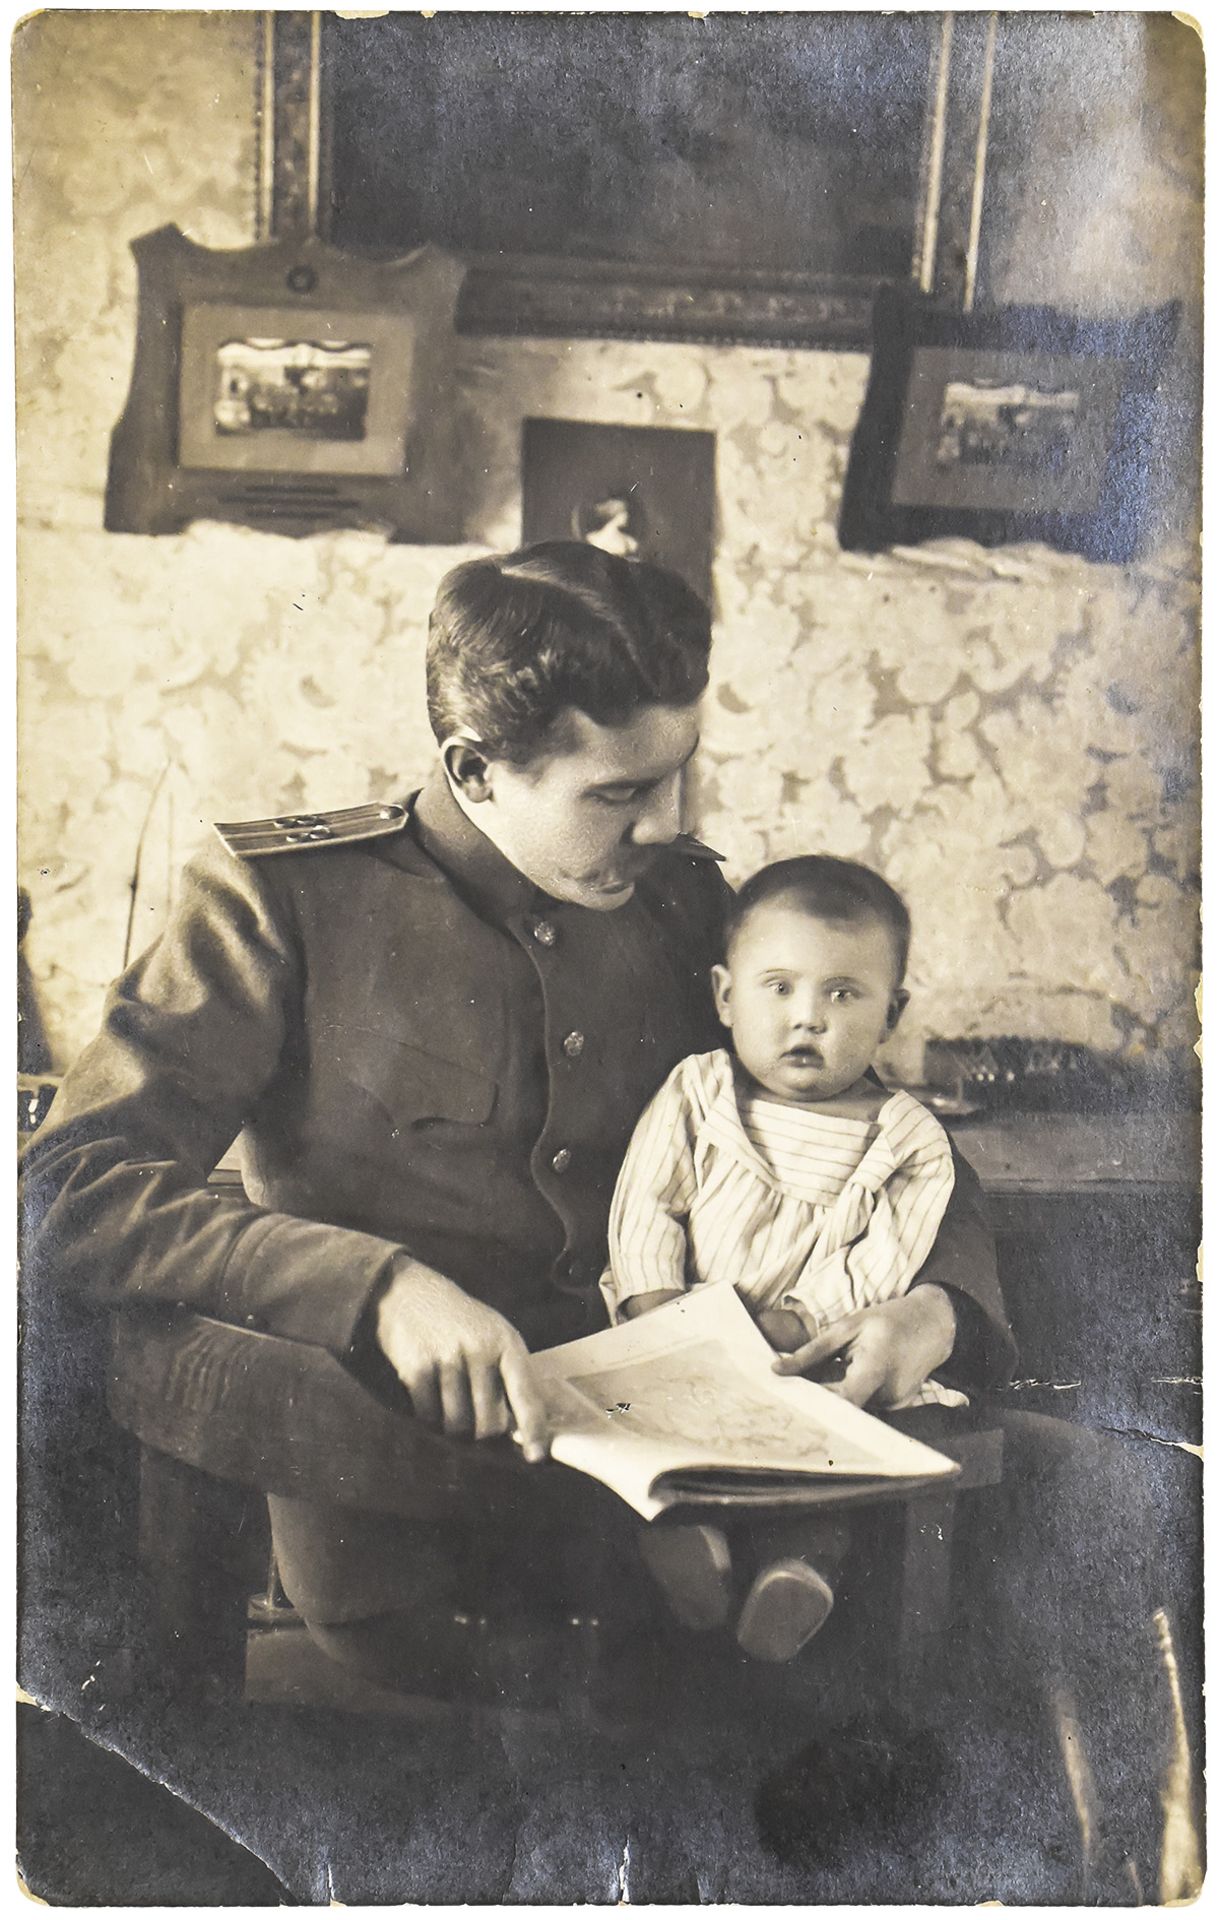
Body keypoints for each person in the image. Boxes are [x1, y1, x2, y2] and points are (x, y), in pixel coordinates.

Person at [21, 538, 1008, 1688]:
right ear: (476, 768)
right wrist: (376, 1286)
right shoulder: (285, 900)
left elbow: (881, 1129)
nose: (663, 823)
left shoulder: (686, 906)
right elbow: (72, 1185)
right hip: (406, 1517)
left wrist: (939, 1309)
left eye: (679, 770)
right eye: (621, 793)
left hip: (703, 1513)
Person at [603, 854, 966, 1661]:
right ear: (725, 998)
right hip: (677, 1342)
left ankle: (798, 1571)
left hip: (805, 1356)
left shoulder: (905, 1139)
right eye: (778, 987)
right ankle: (692, 1544)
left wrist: (799, 1320)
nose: (808, 1018)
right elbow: (646, 1207)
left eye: (843, 994)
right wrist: (657, 1309)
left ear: (892, 1013)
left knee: (826, 1457)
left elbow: (883, 1260)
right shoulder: (697, 1093)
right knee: (659, 1439)